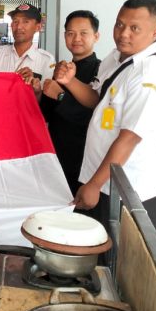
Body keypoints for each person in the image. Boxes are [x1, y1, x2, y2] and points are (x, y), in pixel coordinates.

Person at [54, 0, 156, 232]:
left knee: (121, 261)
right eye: (120, 24)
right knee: (100, 254)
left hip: (128, 190)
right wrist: (69, 82)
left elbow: (129, 138)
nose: (123, 34)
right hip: (101, 180)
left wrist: (94, 183)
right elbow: (97, 100)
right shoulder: (116, 58)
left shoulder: (149, 74)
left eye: (134, 28)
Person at [39, 11, 101, 195]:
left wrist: (60, 95)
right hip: (57, 150)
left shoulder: (101, 70)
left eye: (84, 33)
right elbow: (48, 114)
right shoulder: (62, 68)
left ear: (96, 36)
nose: (76, 39)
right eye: (70, 33)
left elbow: (92, 117)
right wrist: (39, 93)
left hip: (83, 154)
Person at [0, 3, 54, 83]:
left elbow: (45, 95)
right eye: (15, 21)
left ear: (38, 27)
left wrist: (34, 86)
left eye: (25, 21)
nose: (19, 27)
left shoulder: (46, 60)